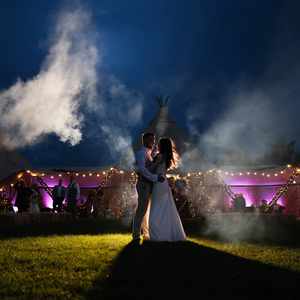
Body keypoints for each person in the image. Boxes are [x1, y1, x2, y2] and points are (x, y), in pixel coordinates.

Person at [148, 137, 186, 241]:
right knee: (165, 208)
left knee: (157, 207)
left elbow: (151, 169)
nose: (157, 145)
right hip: (163, 183)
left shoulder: (160, 156)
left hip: (159, 183)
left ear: (161, 145)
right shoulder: (167, 157)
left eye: (159, 144)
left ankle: (159, 233)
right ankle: (168, 232)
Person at [132, 132, 165, 242]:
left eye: (154, 139)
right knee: (141, 210)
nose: (153, 142)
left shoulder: (149, 153)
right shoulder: (141, 153)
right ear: (145, 140)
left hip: (149, 184)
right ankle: (136, 235)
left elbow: (150, 167)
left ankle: (146, 234)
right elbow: (142, 170)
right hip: (143, 184)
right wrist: (155, 178)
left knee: (147, 210)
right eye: (151, 139)